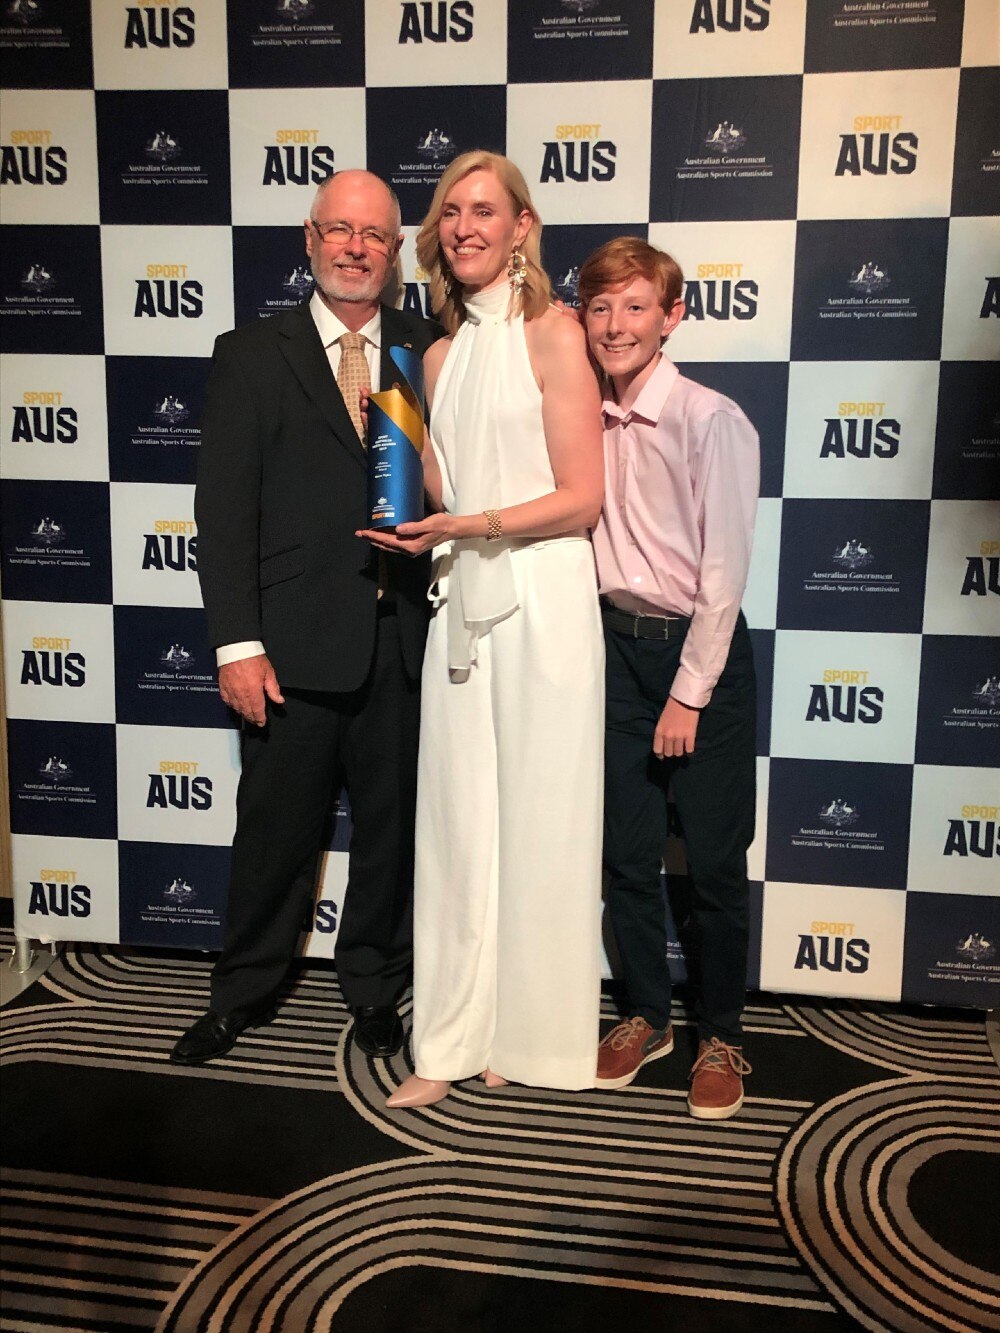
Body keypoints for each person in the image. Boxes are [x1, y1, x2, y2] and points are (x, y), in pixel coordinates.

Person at [170, 171, 442, 1066]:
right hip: (286, 650)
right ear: (310, 237)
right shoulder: (251, 353)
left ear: (396, 250)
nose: (356, 247)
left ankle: (372, 987)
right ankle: (242, 990)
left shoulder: (427, 348)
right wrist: (235, 643)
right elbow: (224, 511)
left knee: (392, 838)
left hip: (404, 644)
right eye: (340, 230)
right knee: (272, 838)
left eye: (375, 235)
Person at [358, 151, 605, 1106]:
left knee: (540, 823)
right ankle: (449, 1040)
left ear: (521, 228)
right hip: (460, 597)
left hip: (544, 599)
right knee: (459, 826)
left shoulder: (557, 333)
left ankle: (529, 1039)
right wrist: (417, 508)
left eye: (485, 211)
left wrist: (469, 523)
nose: (465, 225)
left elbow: (583, 499)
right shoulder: (435, 355)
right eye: (451, 211)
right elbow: (434, 485)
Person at [578, 237, 759, 1120]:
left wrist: (689, 689)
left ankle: (722, 1030)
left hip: (701, 658)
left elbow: (724, 573)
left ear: (672, 316)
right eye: (600, 307)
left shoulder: (710, 419)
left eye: (635, 306)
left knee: (717, 861)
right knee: (625, 850)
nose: (615, 325)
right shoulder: (584, 416)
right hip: (614, 653)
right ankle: (646, 1013)